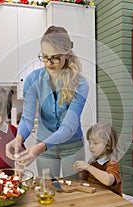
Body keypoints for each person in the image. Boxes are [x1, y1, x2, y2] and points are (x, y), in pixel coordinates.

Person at [6, 25, 89, 179]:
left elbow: (69, 127)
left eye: (55, 57)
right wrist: (18, 139)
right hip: (44, 146)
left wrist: (39, 148)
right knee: (48, 189)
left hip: (72, 146)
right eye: (45, 56)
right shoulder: (33, 79)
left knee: (74, 195)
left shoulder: (80, 84)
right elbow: (27, 118)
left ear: (67, 54)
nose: (49, 62)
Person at [72, 123, 122, 196]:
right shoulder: (93, 162)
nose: (91, 146)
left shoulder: (112, 163)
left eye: (95, 143)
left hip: (111, 200)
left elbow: (108, 180)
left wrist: (88, 167)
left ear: (108, 145)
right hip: (96, 197)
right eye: (89, 142)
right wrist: (82, 171)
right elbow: (86, 181)